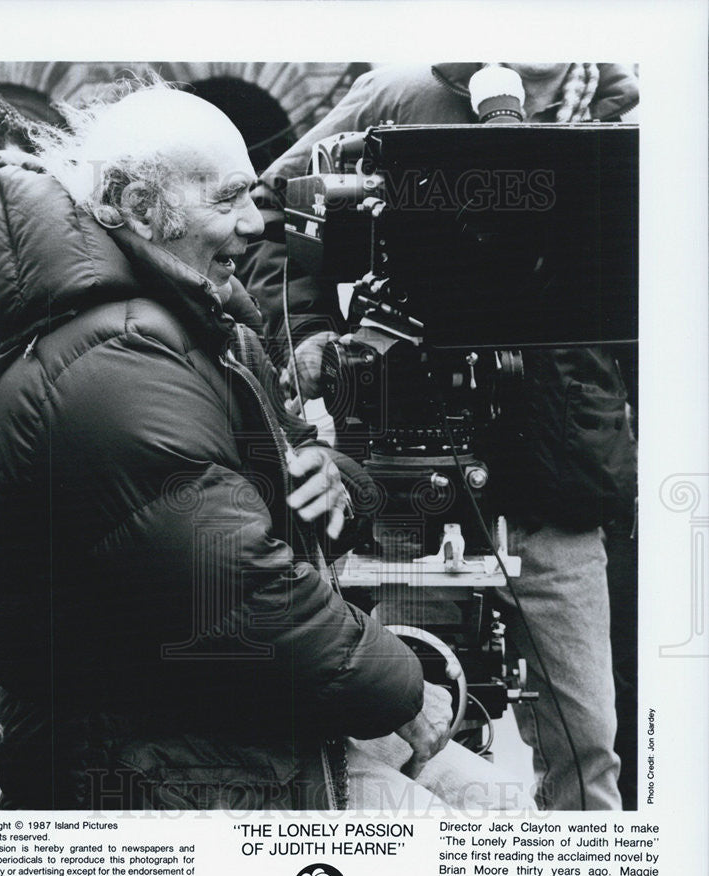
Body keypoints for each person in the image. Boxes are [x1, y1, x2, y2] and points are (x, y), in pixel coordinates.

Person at [0, 83, 525, 812]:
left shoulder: (195, 323)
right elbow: (237, 591)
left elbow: (310, 491)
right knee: (473, 827)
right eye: (228, 199)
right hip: (151, 754)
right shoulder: (115, 361)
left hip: (233, 713)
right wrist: (400, 689)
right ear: (134, 203)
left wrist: (340, 481)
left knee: (493, 804)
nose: (253, 225)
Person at [241, 63, 639, 810]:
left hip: (559, 475)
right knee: (403, 730)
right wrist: (314, 332)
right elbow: (269, 209)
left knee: (589, 747)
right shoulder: (402, 95)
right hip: (407, 481)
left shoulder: (621, 116)